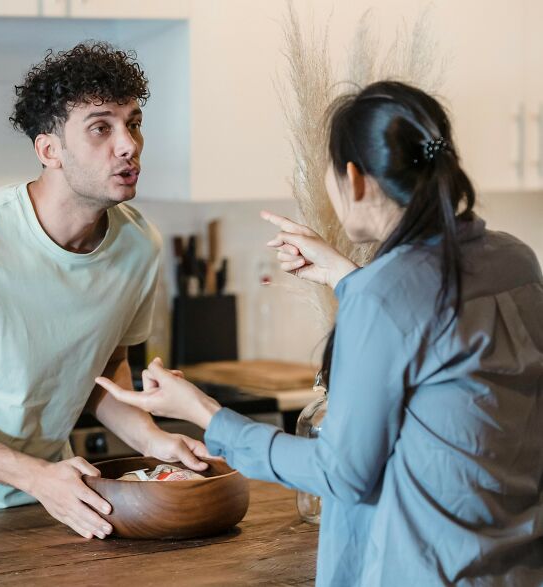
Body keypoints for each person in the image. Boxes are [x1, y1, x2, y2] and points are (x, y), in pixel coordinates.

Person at [97, 81, 543, 585]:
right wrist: (346, 276)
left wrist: (202, 412)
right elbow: (436, 338)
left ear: (353, 178)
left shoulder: (384, 296)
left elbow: (342, 473)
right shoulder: (515, 260)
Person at [0, 41, 209, 540]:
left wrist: (152, 439)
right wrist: (35, 476)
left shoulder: (139, 245)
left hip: (49, 504)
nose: (128, 145)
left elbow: (101, 370)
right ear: (49, 150)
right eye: (101, 127)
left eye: (133, 122)